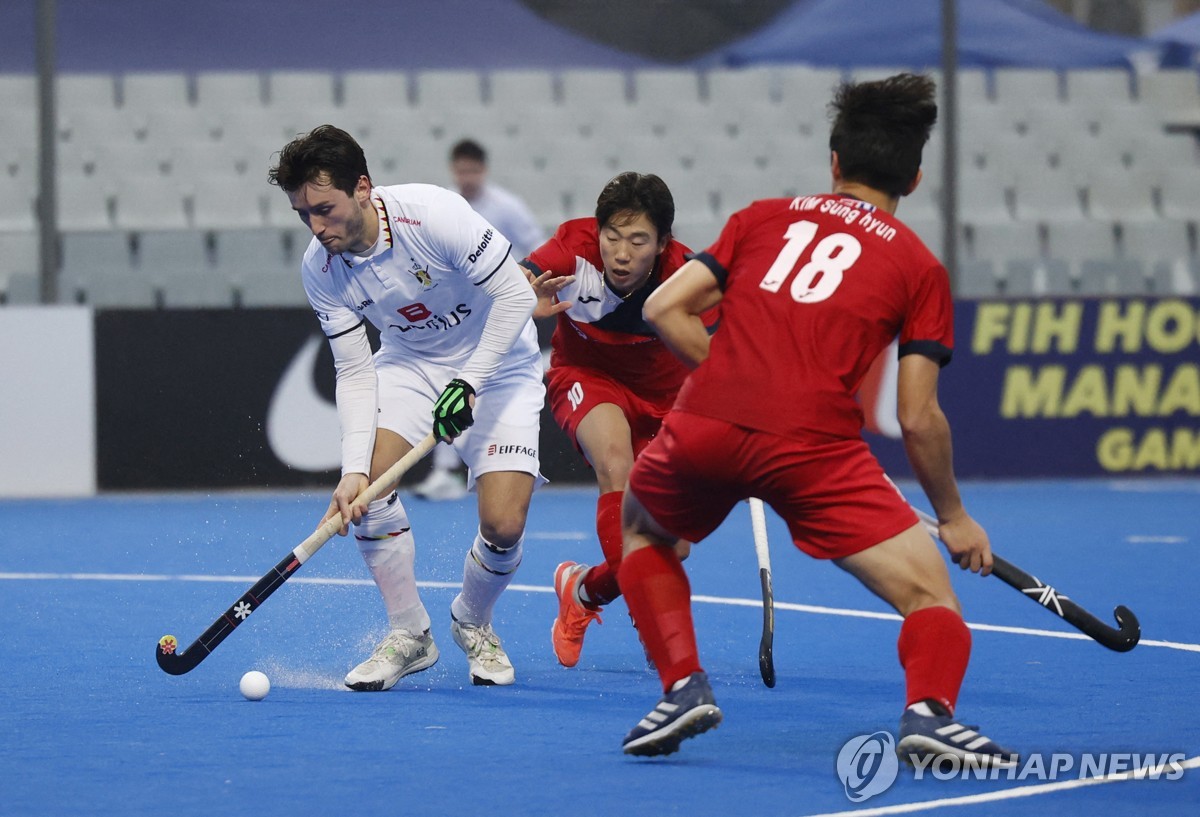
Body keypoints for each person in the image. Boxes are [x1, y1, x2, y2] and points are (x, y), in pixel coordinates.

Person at [616, 74, 1017, 766]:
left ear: (834, 162)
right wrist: (953, 517)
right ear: (915, 179)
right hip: (814, 447)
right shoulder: (920, 266)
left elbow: (662, 309)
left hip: (706, 421)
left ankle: (681, 684)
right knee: (930, 595)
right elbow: (917, 417)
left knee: (641, 530)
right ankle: (929, 713)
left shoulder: (761, 218)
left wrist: (733, 376)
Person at [268, 125, 544, 690]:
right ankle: (409, 633)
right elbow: (354, 369)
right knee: (369, 493)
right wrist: (351, 472)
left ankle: (473, 619)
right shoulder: (321, 269)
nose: (317, 229)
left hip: (501, 362)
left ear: (363, 187)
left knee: (503, 524)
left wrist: (467, 383)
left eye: (324, 209)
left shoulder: (433, 214)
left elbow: (517, 295)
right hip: (412, 364)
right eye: (303, 216)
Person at [521, 172, 713, 668]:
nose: (621, 254)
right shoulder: (574, 246)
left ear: (662, 244)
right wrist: (525, 297)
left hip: (665, 401)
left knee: (674, 547)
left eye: (638, 241)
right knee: (615, 466)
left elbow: (727, 349)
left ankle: (584, 590)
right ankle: (651, 620)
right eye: (612, 236)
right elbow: (519, 278)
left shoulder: (686, 276)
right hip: (586, 376)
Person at [413, 138, 548, 501]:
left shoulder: (507, 207)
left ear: (483, 170)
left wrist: (524, 280)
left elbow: (538, 247)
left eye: (473, 169)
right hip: (459, 315)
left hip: (502, 310)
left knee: (494, 387)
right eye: (461, 169)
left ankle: (506, 469)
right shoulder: (443, 206)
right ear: (453, 170)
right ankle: (445, 472)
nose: (467, 176)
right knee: (452, 385)